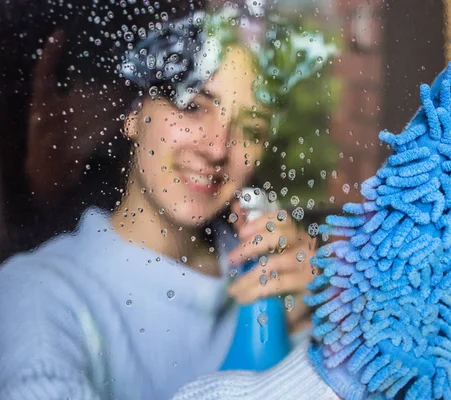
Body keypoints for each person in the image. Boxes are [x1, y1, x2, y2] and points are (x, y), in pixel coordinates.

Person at [0, 2, 337, 399]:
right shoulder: (38, 294)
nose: (215, 148)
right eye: (193, 106)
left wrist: (300, 329)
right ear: (132, 112)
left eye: (249, 128)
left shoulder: (265, 277)